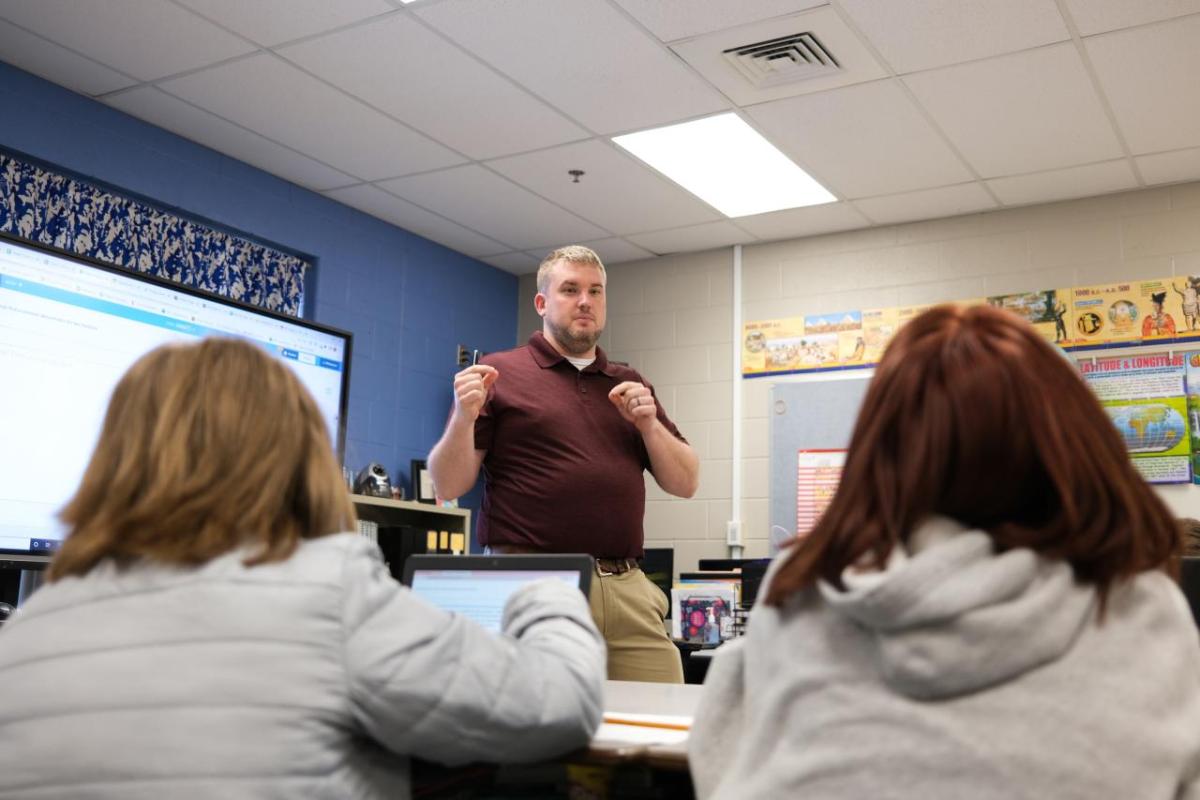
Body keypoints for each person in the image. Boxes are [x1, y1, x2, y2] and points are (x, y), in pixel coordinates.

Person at [0, 338, 604, 799]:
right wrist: (543, 593)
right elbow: (558, 705)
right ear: (297, 456)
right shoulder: (330, 589)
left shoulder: (28, 629)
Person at [689, 304, 1200, 800]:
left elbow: (723, 762)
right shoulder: (1142, 611)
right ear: (1073, 446)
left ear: (879, 451)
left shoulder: (800, 597)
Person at [428, 245, 699, 684]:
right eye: (570, 289)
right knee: (536, 728)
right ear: (542, 302)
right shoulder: (499, 372)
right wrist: (463, 416)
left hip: (626, 586)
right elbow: (447, 482)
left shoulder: (629, 382)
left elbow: (686, 482)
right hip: (537, 582)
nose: (585, 301)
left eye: (595, 291)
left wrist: (649, 425)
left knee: (664, 724)